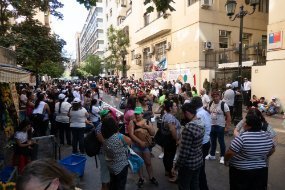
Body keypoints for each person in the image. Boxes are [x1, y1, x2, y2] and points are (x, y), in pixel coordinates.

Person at [224, 108, 275, 190]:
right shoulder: (268, 136)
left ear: (249, 126)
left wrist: (226, 161)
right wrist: (263, 156)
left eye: (245, 124)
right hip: (260, 170)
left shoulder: (242, 138)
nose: (243, 125)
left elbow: (229, 153)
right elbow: (272, 149)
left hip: (240, 171)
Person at [173, 103, 205, 190]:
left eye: (182, 113)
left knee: (184, 185)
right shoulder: (201, 122)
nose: (182, 116)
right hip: (198, 160)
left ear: (186, 113)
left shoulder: (189, 128)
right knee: (195, 184)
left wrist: (176, 166)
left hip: (188, 164)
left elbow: (184, 153)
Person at [128, 107, 158, 188]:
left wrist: (147, 127)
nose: (137, 115)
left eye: (138, 113)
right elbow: (131, 134)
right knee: (139, 163)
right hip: (136, 146)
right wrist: (140, 142)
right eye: (136, 114)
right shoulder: (132, 122)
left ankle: (151, 177)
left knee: (148, 162)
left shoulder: (147, 121)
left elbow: (153, 133)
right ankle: (141, 178)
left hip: (145, 146)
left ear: (142, 114)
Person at [101, 117, 130, 190]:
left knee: (113, 184)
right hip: (121, 166)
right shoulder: (118, 137)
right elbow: (130, 141)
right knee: (120, 186)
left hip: (111, 166)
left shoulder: (105, 139)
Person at [190, 97, 211, 190]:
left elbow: (197, 131)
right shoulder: (204, 112)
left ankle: (203, 187)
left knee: (200, 169)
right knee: (201, 167)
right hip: (206, 141)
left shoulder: (198, 114)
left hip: (202, 143)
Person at [205, 91, 231, 164]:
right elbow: (208, 113)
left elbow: (228, 116)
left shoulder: (223, 104)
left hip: (220, 126)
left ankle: (222, 156)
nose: (215, 98)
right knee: (212, 141)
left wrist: (227, 127)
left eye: (217, 96)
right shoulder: (210, 103)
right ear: (212, 97)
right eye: (214, 97)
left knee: (221, 141)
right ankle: (212, 154)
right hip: (212, 125)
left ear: (219, 97)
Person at [160, 100, 181, 181]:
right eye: (175, 106)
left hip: (167, 139)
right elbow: (172, 129)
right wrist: (176, 140)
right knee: (170, 157)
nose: (176, 107)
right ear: (170, 108)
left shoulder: (166, 115)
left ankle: (167, 171)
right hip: (171, 140)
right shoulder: (170, 117)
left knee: (167, 155)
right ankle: (171, 173)